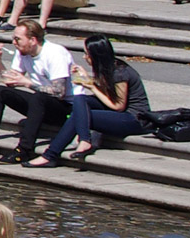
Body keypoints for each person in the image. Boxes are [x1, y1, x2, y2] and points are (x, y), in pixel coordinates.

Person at [33, 34, 152, 167]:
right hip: (116, 112)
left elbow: (119, 106)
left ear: (96, 55)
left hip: (134, 119)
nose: (84, 57)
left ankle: (53, 154)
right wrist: (86, 78)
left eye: (87, 54)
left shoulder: (120, 72)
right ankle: (73, 145)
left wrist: (91, 86)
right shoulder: (106, 67)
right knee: (80, 99)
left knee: (80, 114)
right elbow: (107, 93)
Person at [0, 19, 73, 163]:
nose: (14, 43)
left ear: (33, 40)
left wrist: (28, 83)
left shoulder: (55, 53)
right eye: (13, 38)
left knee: (38, 97)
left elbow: (59, 92)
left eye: (18, 39)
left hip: (66, 109)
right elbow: (10, 82)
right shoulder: (23, 52)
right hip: (42, 103)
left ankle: (24, 149)